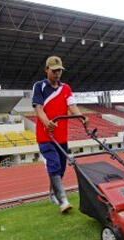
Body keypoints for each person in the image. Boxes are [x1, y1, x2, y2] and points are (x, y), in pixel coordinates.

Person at [32, 56, 88, 213]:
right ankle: (63, 200)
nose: (57, 74)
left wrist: (82, 118)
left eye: (59, 71)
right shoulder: (39, 87)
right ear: (46, 70)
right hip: (46, 136)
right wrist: (46, 122)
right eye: (54, 71)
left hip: (62, 137)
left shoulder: (66, 88)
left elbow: (73, 106)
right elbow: (38, 109)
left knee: (61, 168)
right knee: (54, 164)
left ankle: (53, 193)